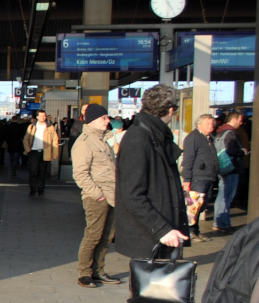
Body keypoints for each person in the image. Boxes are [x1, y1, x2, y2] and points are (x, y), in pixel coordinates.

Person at [114, 83, 190, 261]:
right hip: (151, 236)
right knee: (152, 287)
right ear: (171, 110)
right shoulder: (139, 138)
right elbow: (132, 194)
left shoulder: (153, 134)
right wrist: (162, 229)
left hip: (159, 232)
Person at [72, 104, 120, 287]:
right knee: (93, 236)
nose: (108, 121)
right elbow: (80, 174)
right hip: (97, 198)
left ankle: (98, 271)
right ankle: (84, 273)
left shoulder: (104, 140)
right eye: (104, 118)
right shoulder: (84, 143)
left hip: (112, 196)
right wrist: (98, 194)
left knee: (107, 237)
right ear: (93, 120)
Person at [181, 114, 219, 241]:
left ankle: (196, 231)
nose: (211, 126)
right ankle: (190, 232)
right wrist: (186, 179)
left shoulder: (208, 138)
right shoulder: (193, 137)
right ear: (199, 124)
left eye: (212, 123)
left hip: (208, 177)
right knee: (193, 206)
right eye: (208, 123)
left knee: (201, 206)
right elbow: (188, 159)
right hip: (198, 177)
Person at [216, 111, 249, 235]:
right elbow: (231, 150)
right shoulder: (230, 133)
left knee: (222, 195)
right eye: (240, 120)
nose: (242, 123)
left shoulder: (221, 131)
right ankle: (223, 223)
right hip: (231, 168)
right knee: (226, 197)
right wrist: (242, 152)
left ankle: (218, 222)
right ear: (234, 120)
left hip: (223, 167)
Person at [22, 109, 59, 197]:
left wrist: (55, 153)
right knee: (33, 171)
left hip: (45, 152)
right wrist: (28, 150)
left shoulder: (50, 127)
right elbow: (26, 139)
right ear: (37, 117)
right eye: (41, 116)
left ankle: (41, 190)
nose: (43, 117)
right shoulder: (31, 127)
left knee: (42, 172)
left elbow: (55, 140)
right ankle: (33, 189)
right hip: (33, 152)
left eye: (44, 116)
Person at [5, 114, 28, 179]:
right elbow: (23, 135)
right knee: (16, 158)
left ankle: (12, 169)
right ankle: (13, 171)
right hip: (18, 145)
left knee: (11, 158)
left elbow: (5, 136)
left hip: (10, 145)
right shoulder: (20, 127)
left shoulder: (8, 127)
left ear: (12, 120)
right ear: (17, 120)